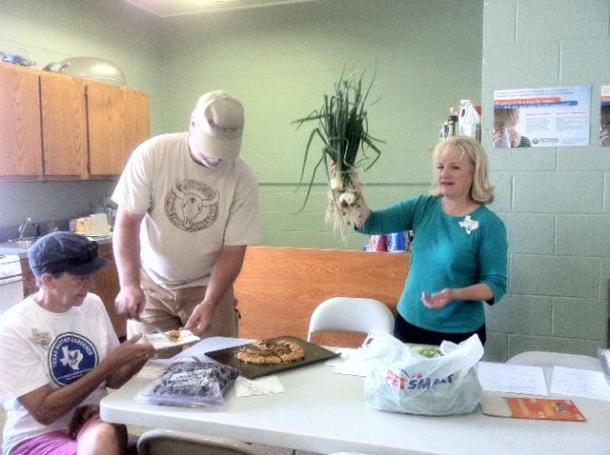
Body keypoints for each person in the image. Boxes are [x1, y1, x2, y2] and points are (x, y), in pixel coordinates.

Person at [111, 90, 261, 344]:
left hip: (208, 286)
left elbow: (233, 250)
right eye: (211, 147)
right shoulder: (153, 155)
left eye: (224, 151)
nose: (216, 158)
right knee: (148, 369)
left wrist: (211, 301)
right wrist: (129, 284)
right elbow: (127, 224)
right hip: (152, 285)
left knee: (217, 366)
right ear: (192, 124)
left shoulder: (242, 177)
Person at [0, 232, 154, 455]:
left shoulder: (92, 304)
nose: (90, 285)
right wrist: (108, 364)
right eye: (80, 278)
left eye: (90, 276)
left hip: (91, 419)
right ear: (48, 280)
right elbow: (44, 412)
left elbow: (113, 379)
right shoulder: (12, 328)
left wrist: (142, 353)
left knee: (108, 434)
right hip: (36, 436)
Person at [356, 136, 507, 345]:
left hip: (460, 334)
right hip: (410, 323)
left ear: (474, 173)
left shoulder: (489, 224)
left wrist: (454, 294)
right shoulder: (423, 206)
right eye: (440, 166)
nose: (444, 174)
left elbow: (495, 285)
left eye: (455, 167)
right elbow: (371, 224)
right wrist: (351, 191)